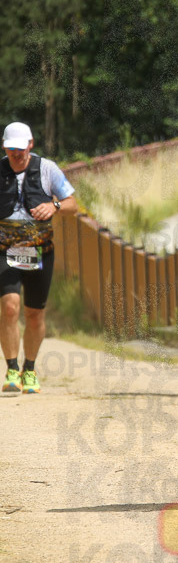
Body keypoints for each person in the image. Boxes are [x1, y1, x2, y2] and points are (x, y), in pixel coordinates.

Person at [0, 122, 78, 394]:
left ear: (30, 145)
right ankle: (11, 369)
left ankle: (29, 370)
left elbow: (72, 204)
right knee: (10, 307)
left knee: (34, 314)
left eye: (20, 149)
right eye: (11, 149)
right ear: (4, 147)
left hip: (39, 250)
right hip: (5, 249)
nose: (16, 154)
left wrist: (54, 205)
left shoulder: (48, 169)